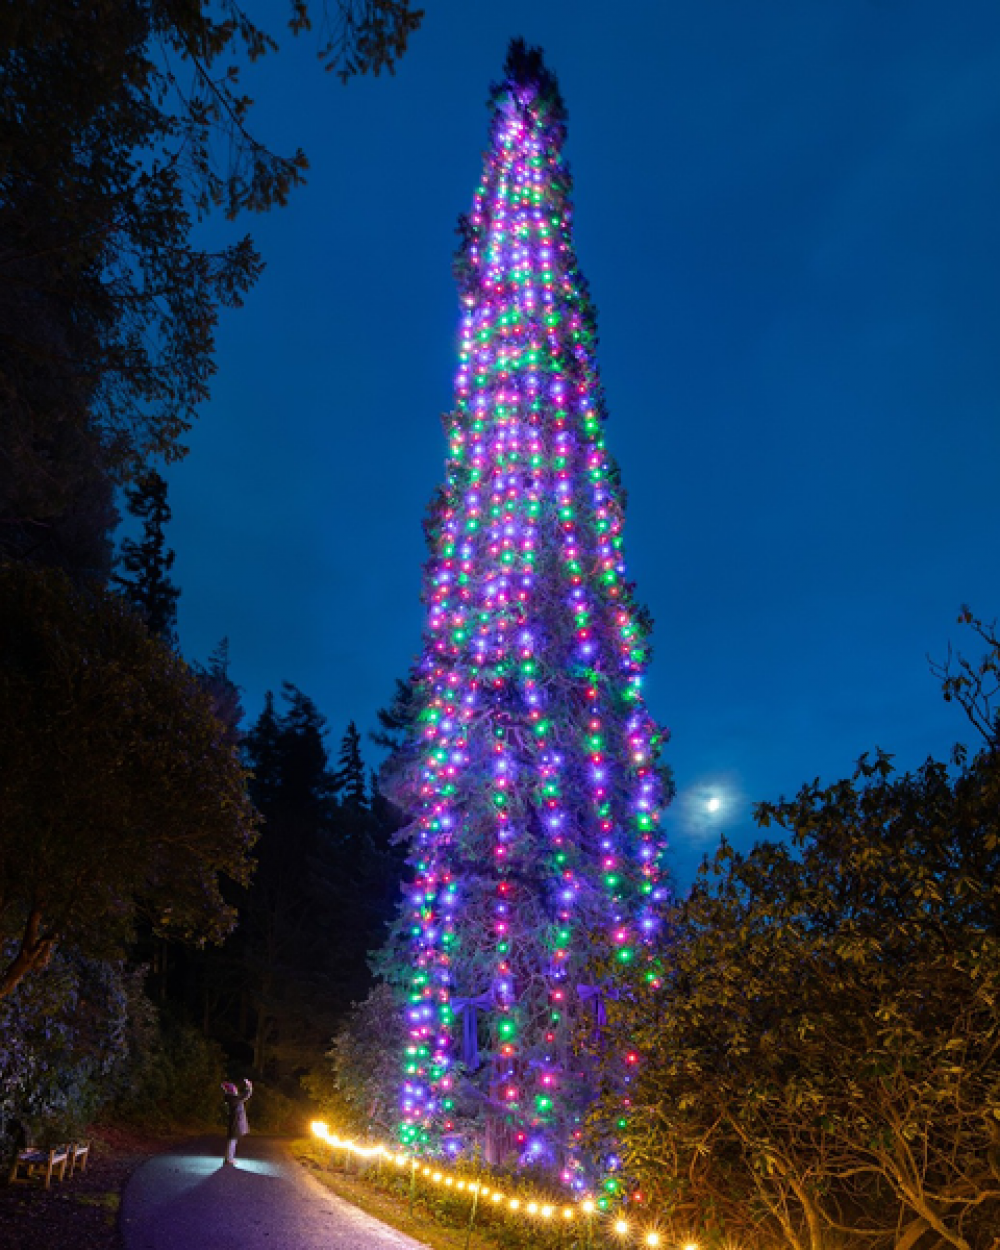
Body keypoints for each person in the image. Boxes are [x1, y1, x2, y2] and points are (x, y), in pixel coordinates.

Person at [221, 1078, 253, 1166]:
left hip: (234, 1121)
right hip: (235, 1122)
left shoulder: (231, 1098)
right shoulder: (233, 1099)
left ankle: (229, 1158)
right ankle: (229, 1159)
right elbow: (245, 1096)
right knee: (232, 1140)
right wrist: (249, 1087)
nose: (236, 1090)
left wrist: (248, 1088)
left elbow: (244, 1097)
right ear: (232, 1091)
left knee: (233, 1140)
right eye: (234, 1089)